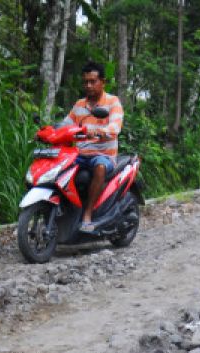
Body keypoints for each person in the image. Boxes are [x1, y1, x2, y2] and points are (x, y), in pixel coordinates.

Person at [61, 61, 124, 233]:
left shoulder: (112, 102)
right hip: (80, 154)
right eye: (86, 82)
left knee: (100, 166)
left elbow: (115, 127)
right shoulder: (79, 104)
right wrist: (48, 131)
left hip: (103, 154)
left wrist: (98, 131)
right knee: (59, 166)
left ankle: (88, 215)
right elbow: (65, 125)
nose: (88, 85)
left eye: (93, 81)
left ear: (102, 82)